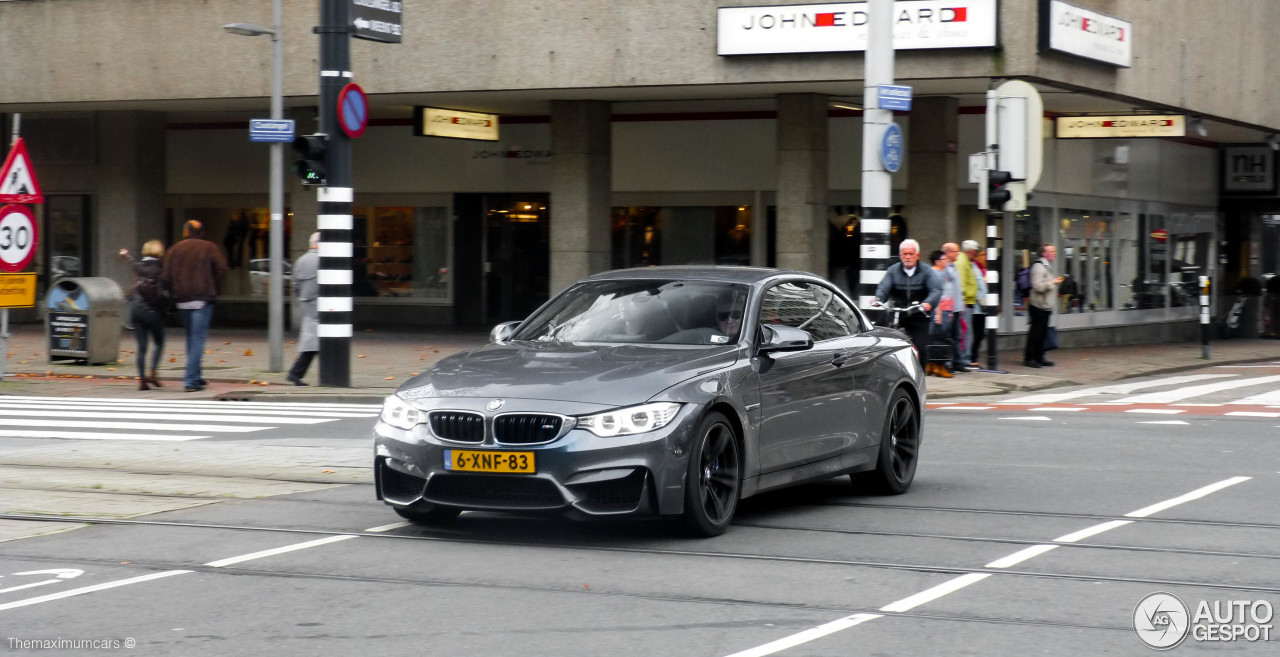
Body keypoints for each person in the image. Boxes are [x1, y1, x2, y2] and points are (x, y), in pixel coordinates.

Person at [162, 220, 228, 392]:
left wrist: (174, 292)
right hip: (202, 298)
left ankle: (196, 377)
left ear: (185, 232)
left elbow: (166, 277)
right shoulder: (209, 247)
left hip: (182, 300)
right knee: (198, 338)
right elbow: (221, 268)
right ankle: (191, 379)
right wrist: (215, 289)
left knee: (191, 338)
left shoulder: (174, 249)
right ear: (201, 232)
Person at [874, 239, 941, 367]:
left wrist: (928, 303)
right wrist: (879, 298)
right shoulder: (893, 270)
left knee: (921, 348)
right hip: (898, 311)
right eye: (905, 254)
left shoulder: (927, 271)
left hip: (918, 313)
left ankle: (920, 376)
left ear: (918, 255)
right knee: (876, 333)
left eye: (911, 254)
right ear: (900, 256)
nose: (908, 257)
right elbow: (884, 287)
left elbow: (936, 289)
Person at [120, 240, 169, 391]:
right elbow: (163, 291)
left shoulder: (140, 266)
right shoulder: (160, 268)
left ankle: (142, 380)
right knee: (159, 342)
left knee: (141, 347)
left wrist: (126, 253)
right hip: (153, 311)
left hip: (136, 310)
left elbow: (132, 261)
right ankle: (153, 372)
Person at [286, 233, 320, 385]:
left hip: (306, 304)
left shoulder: (300, 260)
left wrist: (303, 297)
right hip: (321, 304)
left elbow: (295, 286)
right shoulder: (323, 260)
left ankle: (296, 374)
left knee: (312, 342)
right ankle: (295, 373)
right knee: (320, 341)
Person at [1024, 244, 1063, 368]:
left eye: (1054, 250)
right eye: (1051, 251)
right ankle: (1029, 358)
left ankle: (1039, 357)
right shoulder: (1038, 267)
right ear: (1043, 253)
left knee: (1042, 333)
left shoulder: (1046, 266)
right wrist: (1053, 282)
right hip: (1038, 305)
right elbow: (1037, 286)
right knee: (1036, 333)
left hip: (1045, 306)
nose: (1054, 253)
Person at [927, 249, 954, 378]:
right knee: (939, 339)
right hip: (939, 310)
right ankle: (938, 366)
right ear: (938, 261)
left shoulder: (940, 273)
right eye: (945, 259)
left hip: (945, 309)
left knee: (938, 338)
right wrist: (937, 313)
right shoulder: (934, 274)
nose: (947, 262)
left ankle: (932, 365)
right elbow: (935, 295)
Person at [966, 241, 989, 366]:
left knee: (980, 334)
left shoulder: (984, 269)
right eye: (982, 255)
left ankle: (974, 356)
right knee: (976, 333)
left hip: (983, 307)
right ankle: (971, 357)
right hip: (976, 306)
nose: (984, 257)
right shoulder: (974, 268)